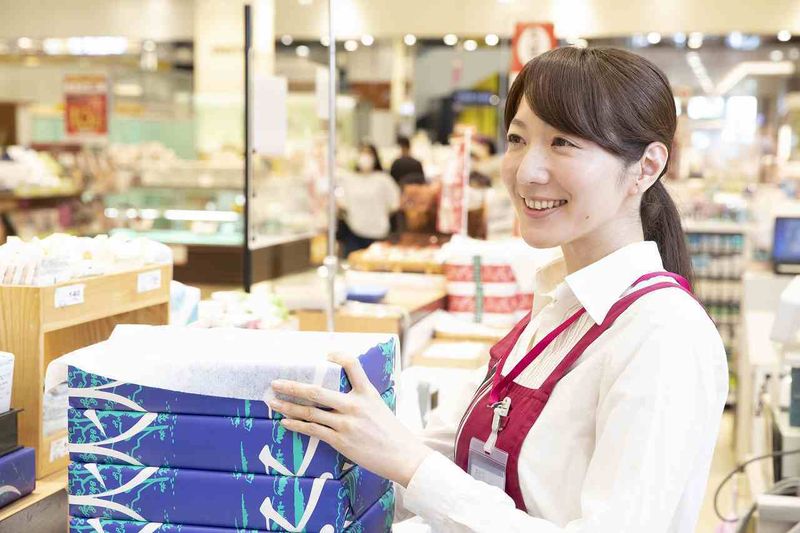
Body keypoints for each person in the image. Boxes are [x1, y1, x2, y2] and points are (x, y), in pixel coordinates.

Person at [269, 47, 728, 532]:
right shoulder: (555, 308)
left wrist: (408, 462)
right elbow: (438, 459)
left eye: (563, 142)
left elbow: (420, 468)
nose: (527, 171)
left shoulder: (664, 335)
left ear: (646, 167)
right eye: (517, 139)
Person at [336, 143, 400, 257]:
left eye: (368, 153)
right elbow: (341, 203)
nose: (365, 157)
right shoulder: (349, 179)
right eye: (362, 153)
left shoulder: (384, 180)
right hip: (354, 233)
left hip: (378, 234)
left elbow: (395, 204)